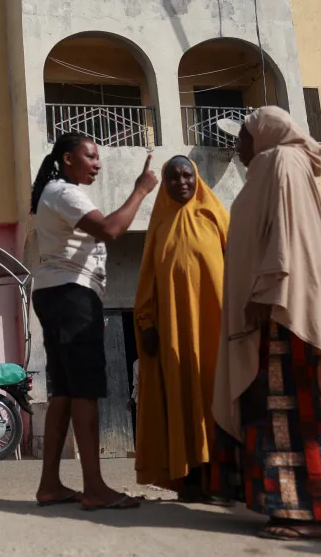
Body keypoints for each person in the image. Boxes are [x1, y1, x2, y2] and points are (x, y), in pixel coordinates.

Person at [211, 107, 321, 541]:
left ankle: (303, 512)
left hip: (282, 316)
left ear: (264, 134)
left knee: (286, 415)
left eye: (243, 135)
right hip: (283, 311)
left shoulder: (280, 162)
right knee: (284, 415)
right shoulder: (284, 163)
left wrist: (264, 293)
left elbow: (284, 236)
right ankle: (306, 507)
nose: (238, 144)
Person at [30, 132, 157, 511]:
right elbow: (112, 230)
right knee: (84, 389)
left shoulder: (53, 191)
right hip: (72, 295)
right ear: (68, 158)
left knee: (64, 393)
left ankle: (50, 484)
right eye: (91, 156)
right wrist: (140, 190)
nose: (98, 164)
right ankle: (95, 487)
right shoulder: (65, 193)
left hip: (55, 293)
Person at [133, 156, 229, 501]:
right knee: (179, 402)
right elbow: (146, 281)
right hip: (173, 333)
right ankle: (189, 481)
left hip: (215, 333)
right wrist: (146, 323)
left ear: (197, 177)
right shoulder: (159, 224)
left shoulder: (216, 215)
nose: (181, 183)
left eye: (187, 175)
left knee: (216, 401)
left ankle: (226, 480)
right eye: (172, 178)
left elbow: (236, 266)